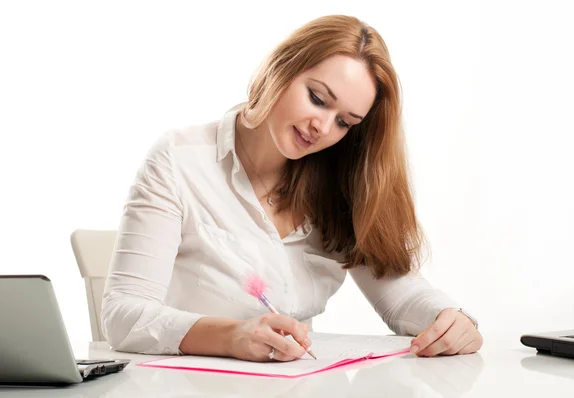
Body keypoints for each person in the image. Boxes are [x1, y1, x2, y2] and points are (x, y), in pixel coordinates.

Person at [101, 14, 483, 362]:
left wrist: (450, 319)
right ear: (283, 67)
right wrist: (230, 336)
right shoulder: (180, 160)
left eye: (345, 122)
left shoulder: (338, 182)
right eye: (317, 98)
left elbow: (401, 295)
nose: (323, 127)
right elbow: (123, 314)